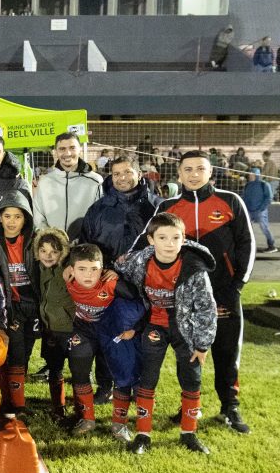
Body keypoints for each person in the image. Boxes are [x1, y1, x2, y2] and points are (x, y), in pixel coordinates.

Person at [138, 150, 254, 433]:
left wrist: (237, 286)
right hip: (184, 296)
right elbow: (146, 243)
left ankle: (230, 407)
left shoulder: (230, 202)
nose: (193, 174)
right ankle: (189, 406)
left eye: (199, 169)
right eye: (187, 169)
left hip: (225, 292)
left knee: (226, 352)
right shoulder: (168, 206)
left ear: (210, 171)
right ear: (179, 173)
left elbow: (247, 244)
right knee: (188, 354)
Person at [115, 212, 218, 455]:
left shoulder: (194, 268)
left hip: (185, 329)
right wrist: (112, 273)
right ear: (151, 240)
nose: (169, 243)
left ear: (184, 239)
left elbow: (206, 307)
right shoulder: (141, 261)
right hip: (154, 325)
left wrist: (202, 344)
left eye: (176, 238)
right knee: (147, 377)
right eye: (162, 237)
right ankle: (143, 434)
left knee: (192, 378)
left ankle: (189, 433)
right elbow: (120, 266)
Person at [63, 243, 143, 438]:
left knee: (122, 373)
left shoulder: (111, 283)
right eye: (82, 269)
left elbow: (140, 303)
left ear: (103, 269)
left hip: (111, 331)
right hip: (84, 330)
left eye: (94, 269)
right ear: (71, 270)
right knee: (78, 369)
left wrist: (135, 329)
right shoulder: (66, 278)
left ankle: (119, 424)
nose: (88, 275)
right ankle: (87, 419)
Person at [0, 190, 38, 416]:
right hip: (11, 306)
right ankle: (17, 406)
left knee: (26, 351)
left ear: (25, 218)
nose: (12, 222)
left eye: (17, 216)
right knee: (15, 353)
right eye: (7, 216)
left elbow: (55, 250)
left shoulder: (35, 239)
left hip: (33, 305)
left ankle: (13, 396)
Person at [80, 156, 161, 266]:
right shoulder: (97, 209)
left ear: (139, 174)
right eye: (116, 174)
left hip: (148, 275)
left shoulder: (158, 206)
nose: (122, 178)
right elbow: (85, 246)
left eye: (127, 172)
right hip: (107, 277)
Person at [31, 228, 75, 420]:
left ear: (62, 252)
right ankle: (58, 407)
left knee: (78, 372)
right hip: (50, 330)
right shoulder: (38, 270)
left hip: (70, 329)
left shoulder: (68, 271)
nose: (48, 256)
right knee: (54, 369)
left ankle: (82, 410)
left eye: (54, 252)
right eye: (43, 251)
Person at [33, 133, 103, 241]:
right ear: (56, 152)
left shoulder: (95, 182)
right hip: (53, 250)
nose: (67, 153)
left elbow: (100, 219)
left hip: (83, 250)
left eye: (72, 148)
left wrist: (80, 241)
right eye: (62, 149)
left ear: (80, 149)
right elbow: (38, 217)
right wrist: (52, 241)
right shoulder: (45, 182)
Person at [244, 168, 277, 253]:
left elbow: (269, 198)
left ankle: (271, 245)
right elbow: (244, 197)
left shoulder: (264, 184)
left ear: (256, 175)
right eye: (249, 174)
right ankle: (248, 246)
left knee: (264, 228)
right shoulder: (248, 185)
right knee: (246, 229)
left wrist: (261, 208)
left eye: (251, 174)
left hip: (260, 211)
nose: (249, 176)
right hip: (249, 211)